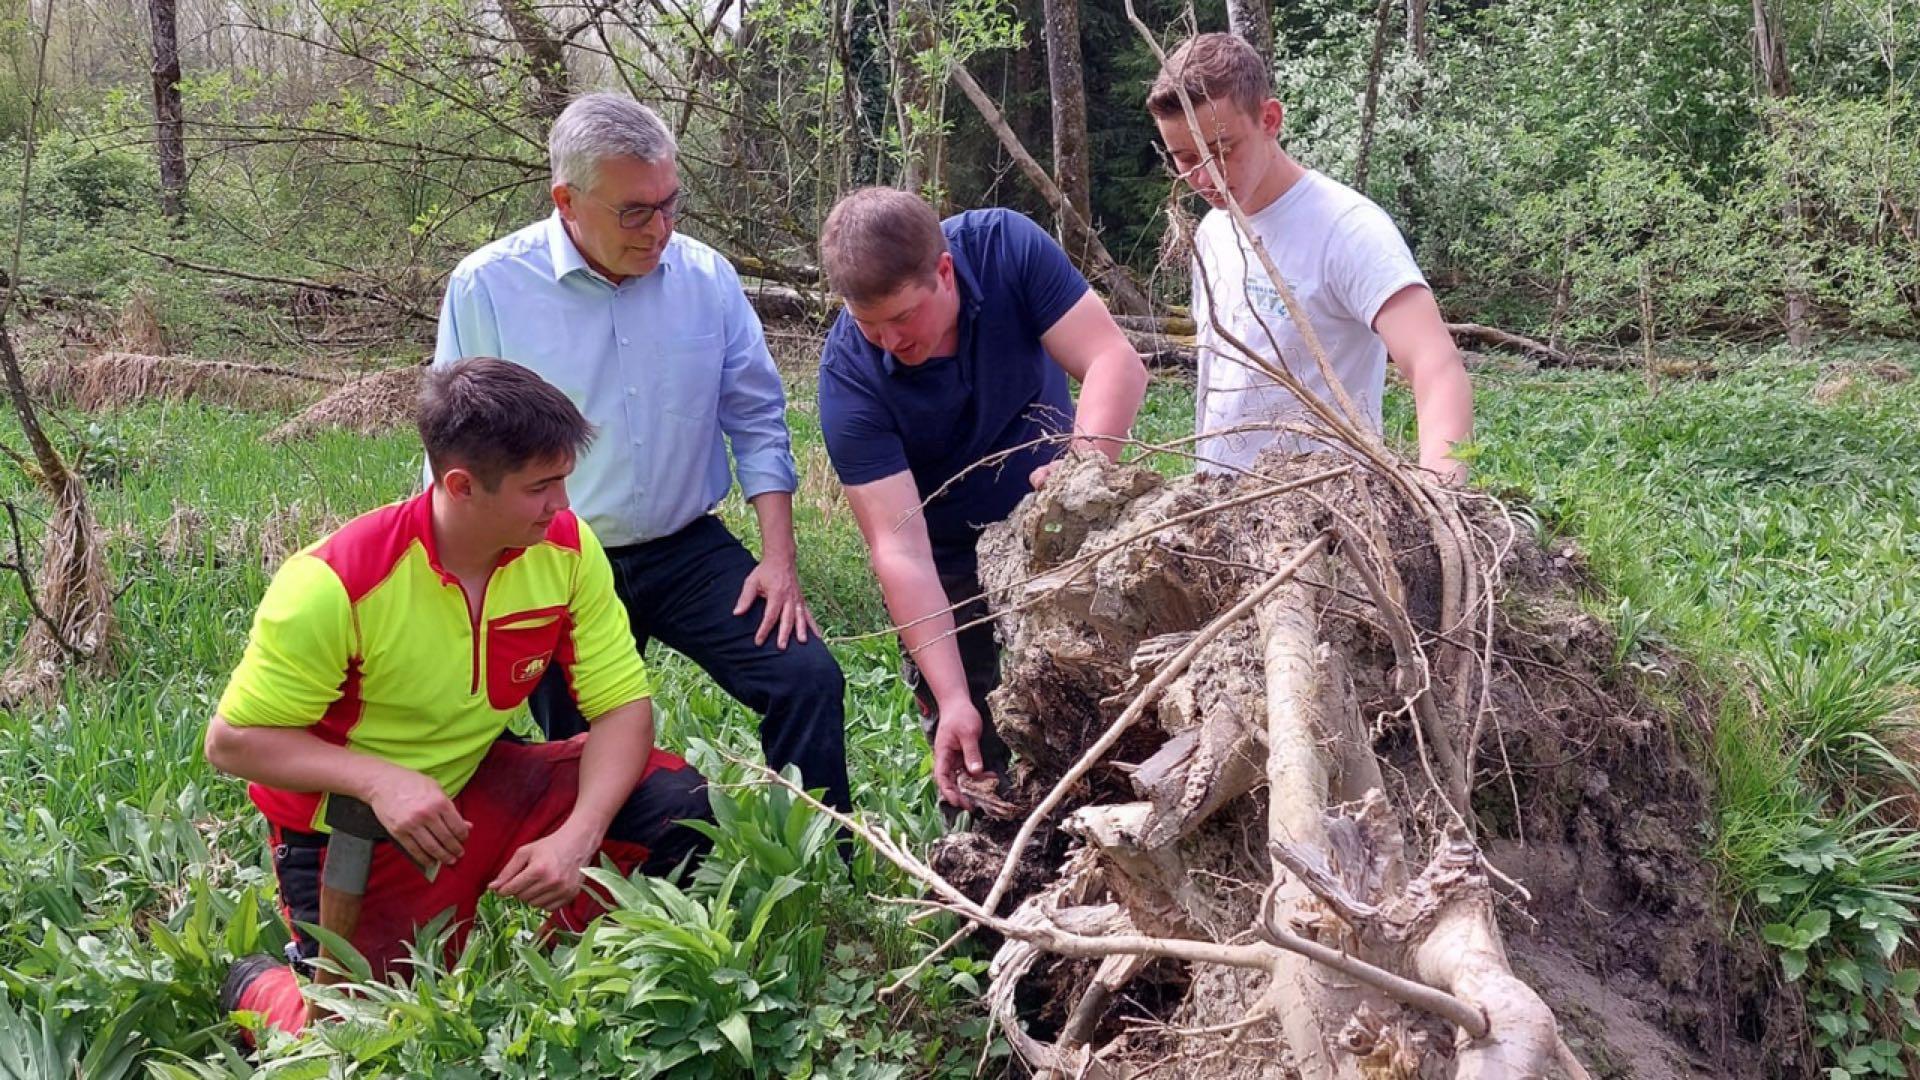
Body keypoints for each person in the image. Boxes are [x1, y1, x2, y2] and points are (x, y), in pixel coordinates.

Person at [209, 357, 714, 1035]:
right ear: (462, 485)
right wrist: (380, 780)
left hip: (476, 789)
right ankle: (261, 986)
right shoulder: (334, 583)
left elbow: (622, 707)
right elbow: (233, 742)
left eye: (564, 479)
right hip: (353, 830)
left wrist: (576, 838)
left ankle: (555, 997)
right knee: (363, 1038)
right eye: (542, 487)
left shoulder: (565, 548)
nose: (562, 505)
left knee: (677, 805)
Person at [434, 93, 850, 812]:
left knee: (805, 676)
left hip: (687, 550)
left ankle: (824, 862)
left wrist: (779, 561)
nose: (659, 228)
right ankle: (606, 892)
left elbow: (756, 418)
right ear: (566, 199)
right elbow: (452, 450)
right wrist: (467, 589)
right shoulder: (489, 286)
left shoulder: (706, 278)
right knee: (584, 747)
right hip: (555, 556)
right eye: (634, 211)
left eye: (669, 204)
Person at [815, 188, 1148, 811]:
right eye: (870, 325)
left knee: (1089, 702)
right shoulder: (849, 377)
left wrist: (1079, 479)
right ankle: (985, 883)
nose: (890, 340)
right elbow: (899, 548)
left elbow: (1114, 362)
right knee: (972, 749)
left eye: (904, 317)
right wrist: (951, 700)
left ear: (943, 271)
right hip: (944, 555)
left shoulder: (1005, 248)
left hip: (1055, 524)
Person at [1147, 33, 1472, 481]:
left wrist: (1443, 497)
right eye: (1184, 158)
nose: (1204, 176)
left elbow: (1435, 364)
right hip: (1215, 516)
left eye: (1222, 150)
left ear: (1269, 118)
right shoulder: (1213, 232)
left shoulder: (1349, 229)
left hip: (1323, 520)